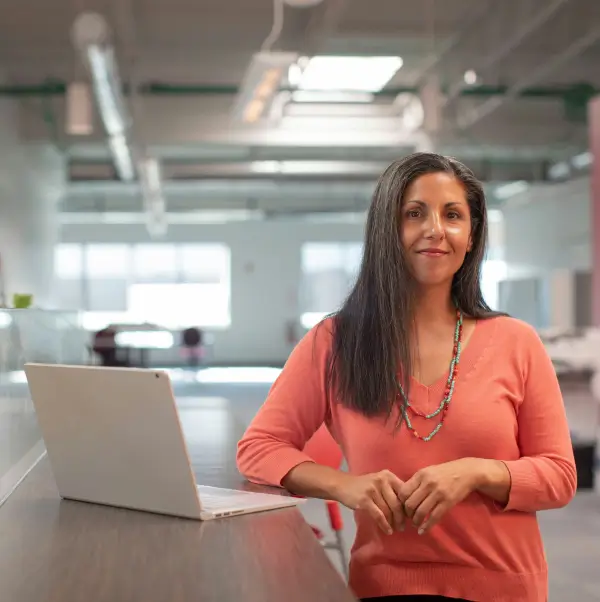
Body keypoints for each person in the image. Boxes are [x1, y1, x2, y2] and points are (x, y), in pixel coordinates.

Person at [236, 152, 577, 602]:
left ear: (471, 236)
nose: (435, 229)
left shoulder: (517, 342)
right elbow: (258, 448)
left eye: (453, 215)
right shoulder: (335, 342)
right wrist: (344, 486)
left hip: (503, 587)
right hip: (383, 587)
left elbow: (559, 476)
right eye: (414, 213)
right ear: (387, 230)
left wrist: (476, 473)